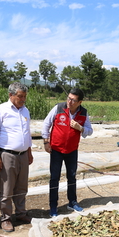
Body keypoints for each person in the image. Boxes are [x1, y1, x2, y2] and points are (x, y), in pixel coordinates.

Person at [0, 82, 33, 232]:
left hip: (23, 155)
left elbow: (27, 133)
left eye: (25, 97)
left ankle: (21, 213)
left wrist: (29, 152)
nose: (23, 100)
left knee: (22, 186)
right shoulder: (0, 111)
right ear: (11, 95)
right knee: (7, 189)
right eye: (20, 96)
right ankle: (6, 218)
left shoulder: (25, 111)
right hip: (7, 155)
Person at [42, 88, 93, 217]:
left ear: (80, 102)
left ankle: (72, 202)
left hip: (72, 150)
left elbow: (89, 130)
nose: (69, 102)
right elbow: (46, 124)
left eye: (73, 100)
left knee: (72, 176)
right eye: (68, 98)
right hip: (57, 150)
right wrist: (46, 142)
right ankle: (53, 206)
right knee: (54, 178)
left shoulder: (83, 113)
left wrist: (80, 128)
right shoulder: (58, 108)